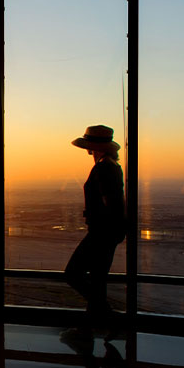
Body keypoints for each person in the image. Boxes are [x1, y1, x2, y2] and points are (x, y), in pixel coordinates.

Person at [65, 125, 125, 315]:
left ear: (91, 146)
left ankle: (103, 311)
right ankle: (94, 321)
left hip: (101, 232)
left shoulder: (103, 168)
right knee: (98, 278)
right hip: (110, 232)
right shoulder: (113, 166)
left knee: (73, 273)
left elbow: (111, 202)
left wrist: (104, 227)